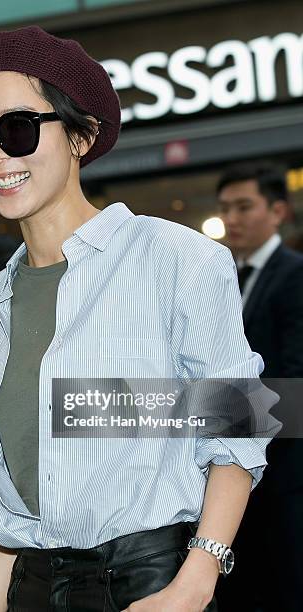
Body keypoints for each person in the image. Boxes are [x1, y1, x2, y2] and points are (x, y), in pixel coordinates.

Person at [0, 26, 279, 612]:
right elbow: (0, 513)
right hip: (30, 589)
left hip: (150, 584)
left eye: (17, 129)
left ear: (79, 136)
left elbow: (237, 430)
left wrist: (194, 586)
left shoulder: (176, 259)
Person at [216, 162, 303, 612]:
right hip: (232, 483)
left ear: (278, 211)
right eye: (226, 208)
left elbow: (294, 387)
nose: (231, 218)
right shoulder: (221, 274)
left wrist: (196, 408)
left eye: (244, 206)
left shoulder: (294, 276)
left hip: (284, 480)